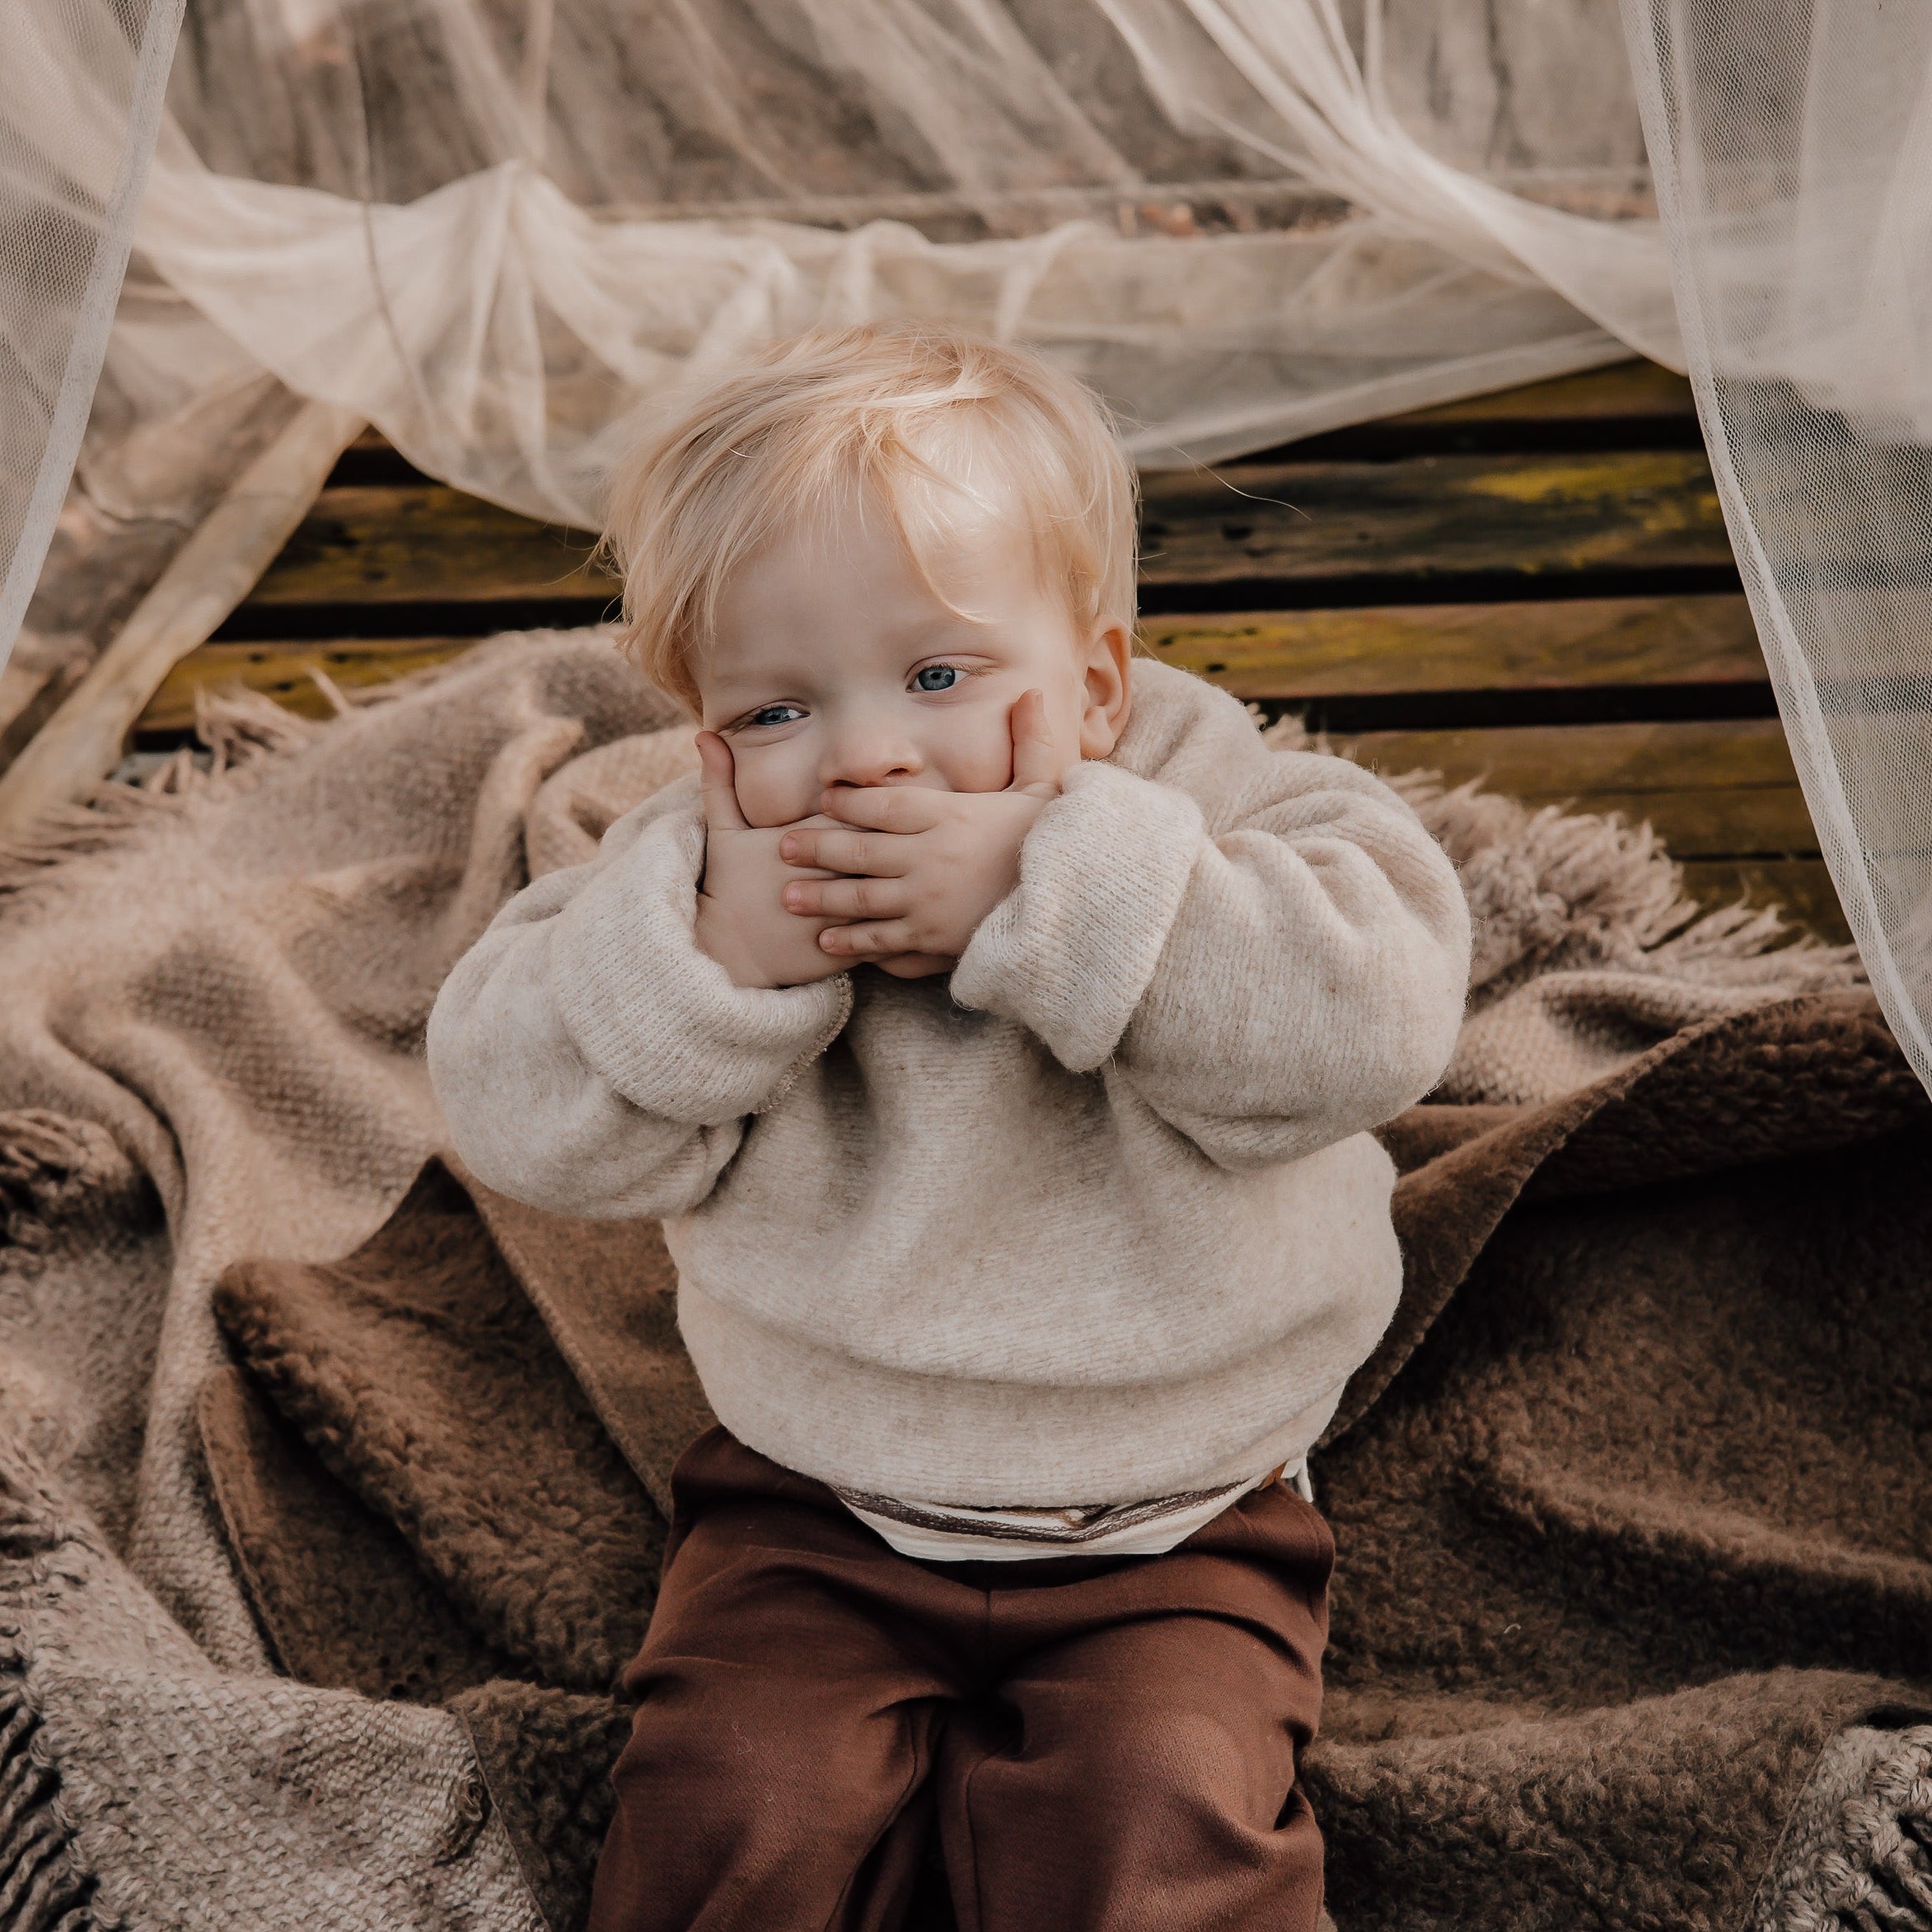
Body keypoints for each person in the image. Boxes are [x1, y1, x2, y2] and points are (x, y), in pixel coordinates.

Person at [426, 321, 1471, 1932]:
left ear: (1098, 685)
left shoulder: (1218, 807)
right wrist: (707, 968)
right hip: (816, 1495)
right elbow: (511, 1108)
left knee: (1151, 1826)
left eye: (936, 677)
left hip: (1182, 1505)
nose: (862, 755)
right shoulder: (709, 872)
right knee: (730, 1814)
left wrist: (1057, 890)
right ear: (703, 732)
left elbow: (1381, 1018)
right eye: (776, 710)